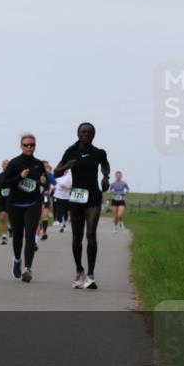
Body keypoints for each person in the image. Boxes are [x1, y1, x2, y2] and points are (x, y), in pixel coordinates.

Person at [55, 122, 110, 290]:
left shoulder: (99, 153)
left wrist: (105, 177)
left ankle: (91, 275)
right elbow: (56, 173)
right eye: (83, 132)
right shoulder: (71, 151)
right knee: (77, 237)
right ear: (78, 134)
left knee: (91, 233)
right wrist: (66, 166)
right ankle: (79, 270)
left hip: (93, 196)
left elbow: (105, 166)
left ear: (94, 135)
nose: (86, 134)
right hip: (77, 198)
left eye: (89, 132)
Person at [0, 133, 47, 282]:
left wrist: (44, 181)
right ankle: (17, 260)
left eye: (31, 145)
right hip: (15, 204)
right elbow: (4, 183)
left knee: (30, 234)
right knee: (18, 235)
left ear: (35, 146)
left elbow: (45, 184)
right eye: (26, 145)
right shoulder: (14, 163)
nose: (29, 147)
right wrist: (20, 176)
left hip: (33, 204)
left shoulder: (39, 164)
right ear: (21, 146)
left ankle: (28, 268)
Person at [35, 161, 56, 243]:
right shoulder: (36, 174)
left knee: (45, 215)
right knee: (38, 217)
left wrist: (49, 190)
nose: (46, 168)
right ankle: (36, 238)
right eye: (44, 166)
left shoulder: (49, 175)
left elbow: (54, 183)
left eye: (47, 166)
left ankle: (44, 232)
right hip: (36, 198)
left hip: (45, 198)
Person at [0, 159, 11, 244]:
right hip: (1, 199)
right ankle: (4, 237)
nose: (5, 165)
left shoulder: (13, 175)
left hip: (11, 199)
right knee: (2, 217)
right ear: (2, 166)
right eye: (4, 164)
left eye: (7, 164)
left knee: (9, 217)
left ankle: (10, 226)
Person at [53, 169, 73, 233]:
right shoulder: (58, 177)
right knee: (60, 210)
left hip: (67, 197)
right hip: (59, 196)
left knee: (66, 210)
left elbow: (73, 183)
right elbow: (60, 184)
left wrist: (71, 187)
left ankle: (65, 222)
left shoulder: (69, 176)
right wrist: (67, 187)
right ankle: (60, 222)